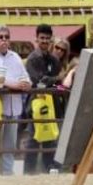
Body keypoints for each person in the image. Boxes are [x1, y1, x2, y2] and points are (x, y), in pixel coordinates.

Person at [0, 25, 31, 176]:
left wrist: (26, 84)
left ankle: (8, 174)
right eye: (1, 37)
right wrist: (13, 84)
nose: (4, 40)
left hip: (14, 106)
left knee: (10, 144)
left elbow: (25, 77)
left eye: (7, 37)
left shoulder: (15, 56)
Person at [23, 23, 62, 174]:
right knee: (34, 137)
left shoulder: (54, 60)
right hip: (36, 103)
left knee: (50, 137)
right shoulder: (32, 59)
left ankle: (48, 170)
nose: (44, 41)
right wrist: (51, 79)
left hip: (51, 103)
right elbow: (37, 81)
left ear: (51, 39)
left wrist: (50, 79)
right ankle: (29, 172)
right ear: (36, 39)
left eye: (47, 38)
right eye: (42, 38)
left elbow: (56, 80)